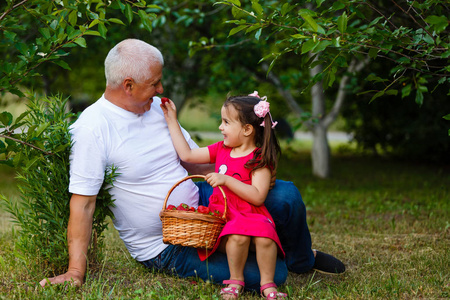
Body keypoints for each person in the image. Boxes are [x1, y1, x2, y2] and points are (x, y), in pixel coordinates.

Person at [39, 39, 345, 293]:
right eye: (154, 83)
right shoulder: (93, 128)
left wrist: (243, 179)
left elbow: (193, 160)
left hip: (206, 209)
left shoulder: (156, 110)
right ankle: (266, 248)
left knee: (287, 196)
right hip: (167, 244)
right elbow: (83, 204)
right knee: (272, 276)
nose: (161, 89)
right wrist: (75, 272)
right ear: (128, 85)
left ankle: (302, 259)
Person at [161, 92, 288, 299]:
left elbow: (257, 197)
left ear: (247, 129)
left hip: (251, 213)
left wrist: (227, 179)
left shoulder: (259, 158)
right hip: (226, 215)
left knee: (266, 238)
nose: (221, 127)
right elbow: (187, 155)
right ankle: (235, 280)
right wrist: (171, 120)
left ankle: (268, 285)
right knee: (237, 236)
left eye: (226, 122)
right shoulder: (221, 149)